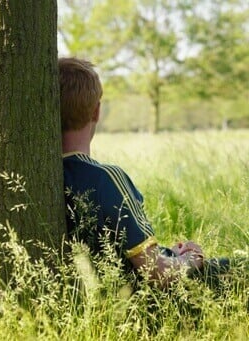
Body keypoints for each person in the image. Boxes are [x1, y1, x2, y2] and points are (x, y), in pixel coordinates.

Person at [59, 57, 230, 288]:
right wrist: (189, 259)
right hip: (143, 303)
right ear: (96, 111)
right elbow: (155, 273)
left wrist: (169, 254)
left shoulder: (47, 177)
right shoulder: (105, 178)